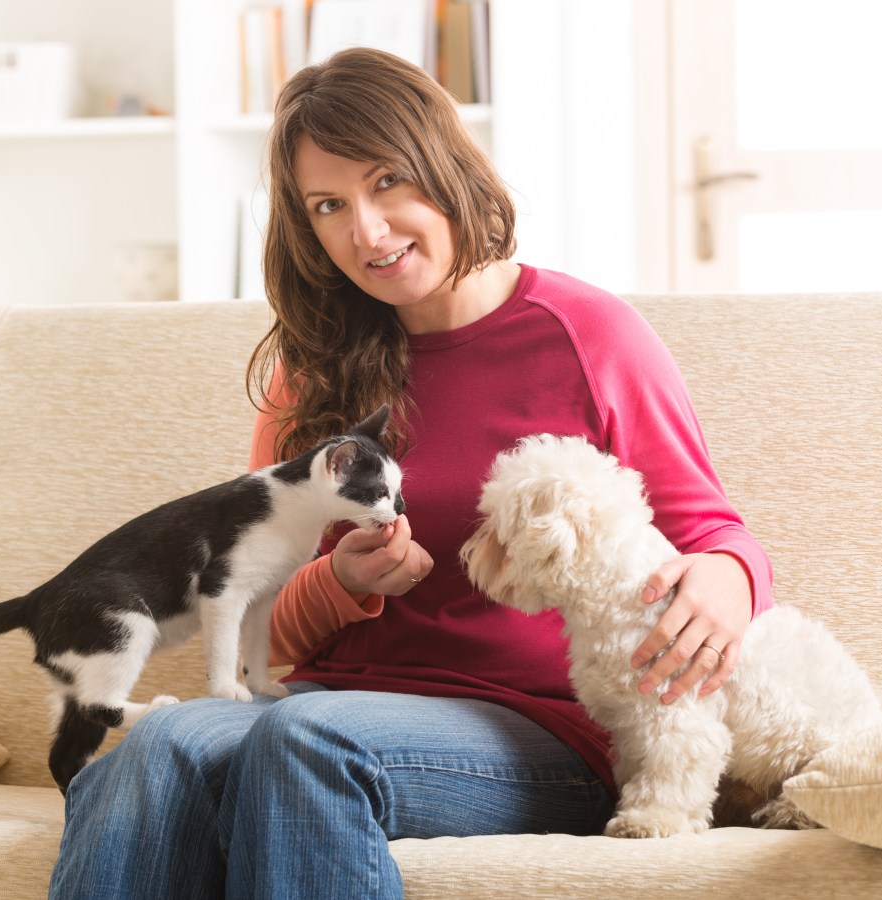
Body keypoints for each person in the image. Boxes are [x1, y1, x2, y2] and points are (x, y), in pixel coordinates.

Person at [48, 47, 772, 900]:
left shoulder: (589, 336)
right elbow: (254, 632)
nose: (367, 229)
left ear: (445, 164)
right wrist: (339, 583)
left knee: (308, 739)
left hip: (537, 725)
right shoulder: (313, 371)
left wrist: (730, 577)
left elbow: (710, 532)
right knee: (159, 749)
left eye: (388, 180)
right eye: (329, 205)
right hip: (321, 702)